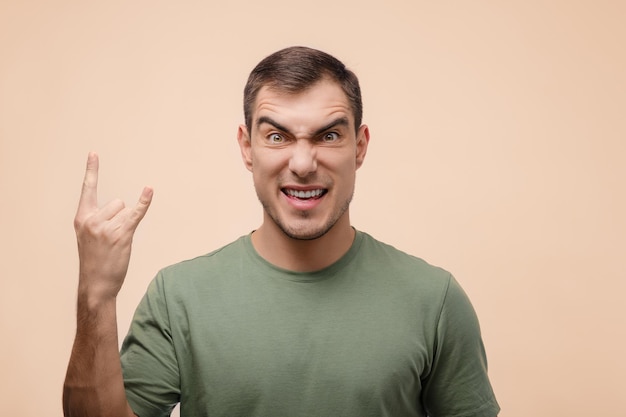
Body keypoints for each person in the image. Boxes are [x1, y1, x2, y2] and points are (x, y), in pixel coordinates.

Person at [63, 46, 500, 417]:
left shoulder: (434, 299)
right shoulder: (178, 297)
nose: (304, 163)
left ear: (360, 146)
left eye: (328, 136)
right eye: (277, 137)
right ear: (246, 147)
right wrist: (95, 294)